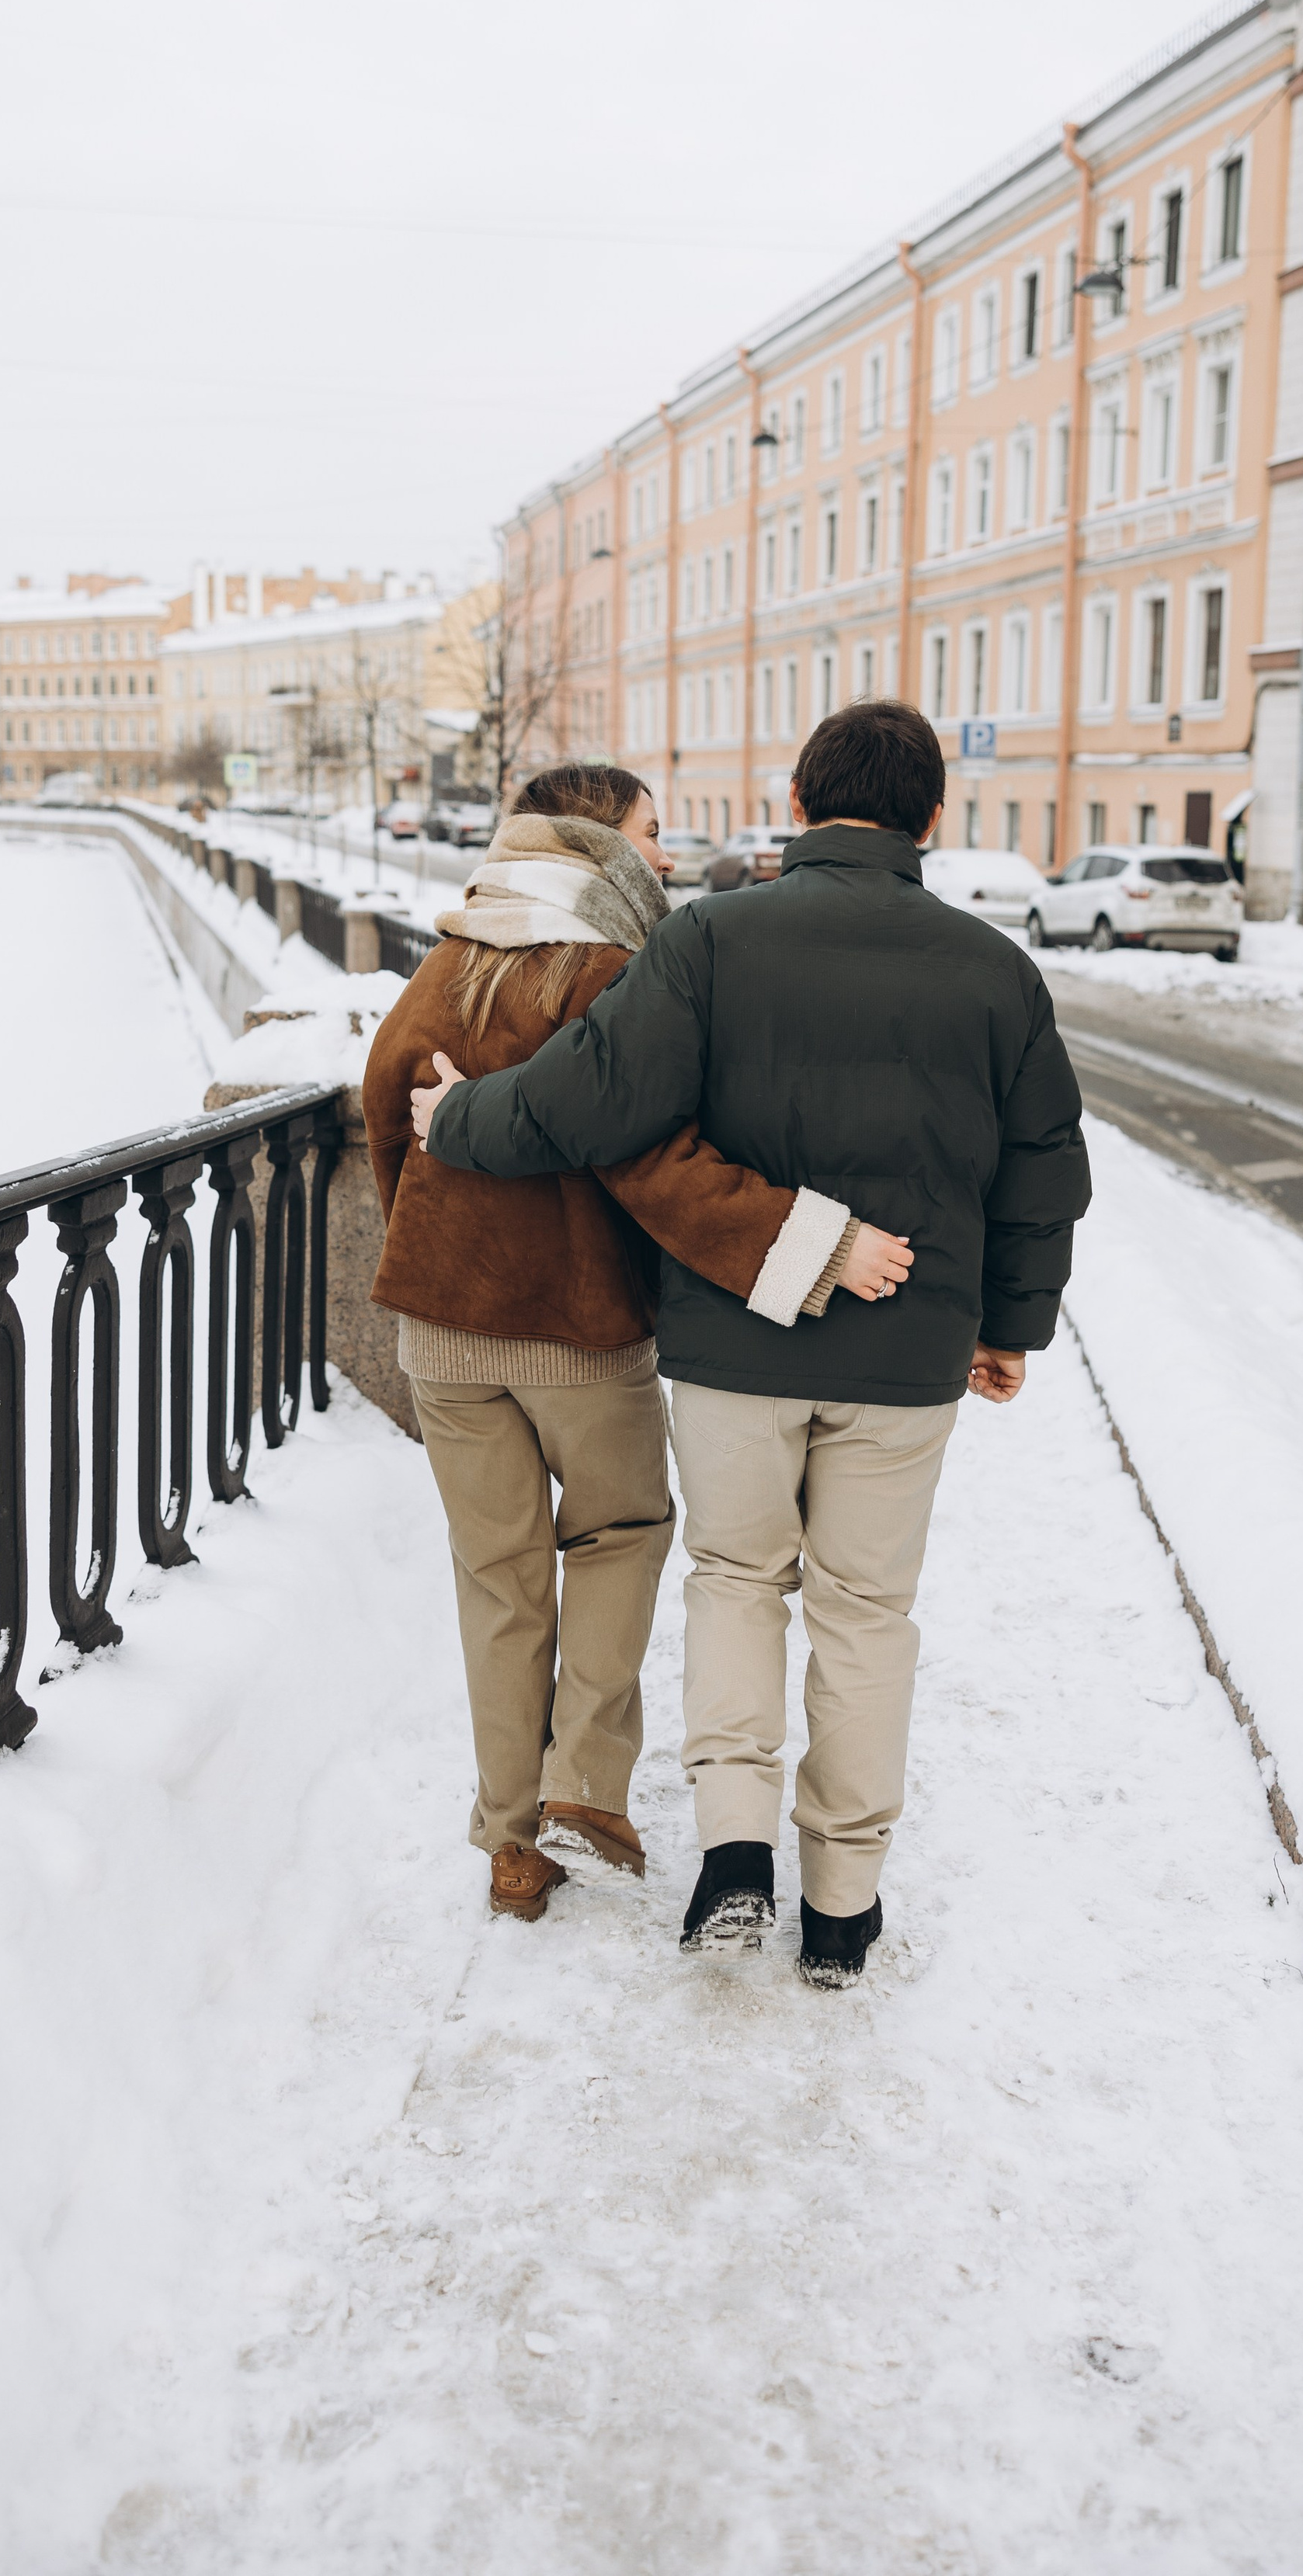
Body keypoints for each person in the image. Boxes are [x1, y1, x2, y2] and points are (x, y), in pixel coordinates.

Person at [412, 703, 1090, 1987]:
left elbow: (588, 1100)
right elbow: (1043, 1170)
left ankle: (735, 1857)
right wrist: (1010, 1327)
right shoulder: (996, 969)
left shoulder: (713, 938)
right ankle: (843, 1903)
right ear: (931, 818)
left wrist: (459, 1121)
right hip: (908, 1359)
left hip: (735, 1352)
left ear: (795, 798)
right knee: (867, 1616)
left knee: (734, 1582)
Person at [363, 762, 912, 1926]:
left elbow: (381, 1109)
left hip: (439, 1328)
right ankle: (584, 1789)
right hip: (577, 1322)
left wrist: (432, 1241)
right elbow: (650, 1156)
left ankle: (510, 1848)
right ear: (599, 844)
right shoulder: (613, 969)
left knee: (499, 1580)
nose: (665, 858)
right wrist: (805, 1245)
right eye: (651, 836)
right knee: (619, 1532)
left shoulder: (451, 951)